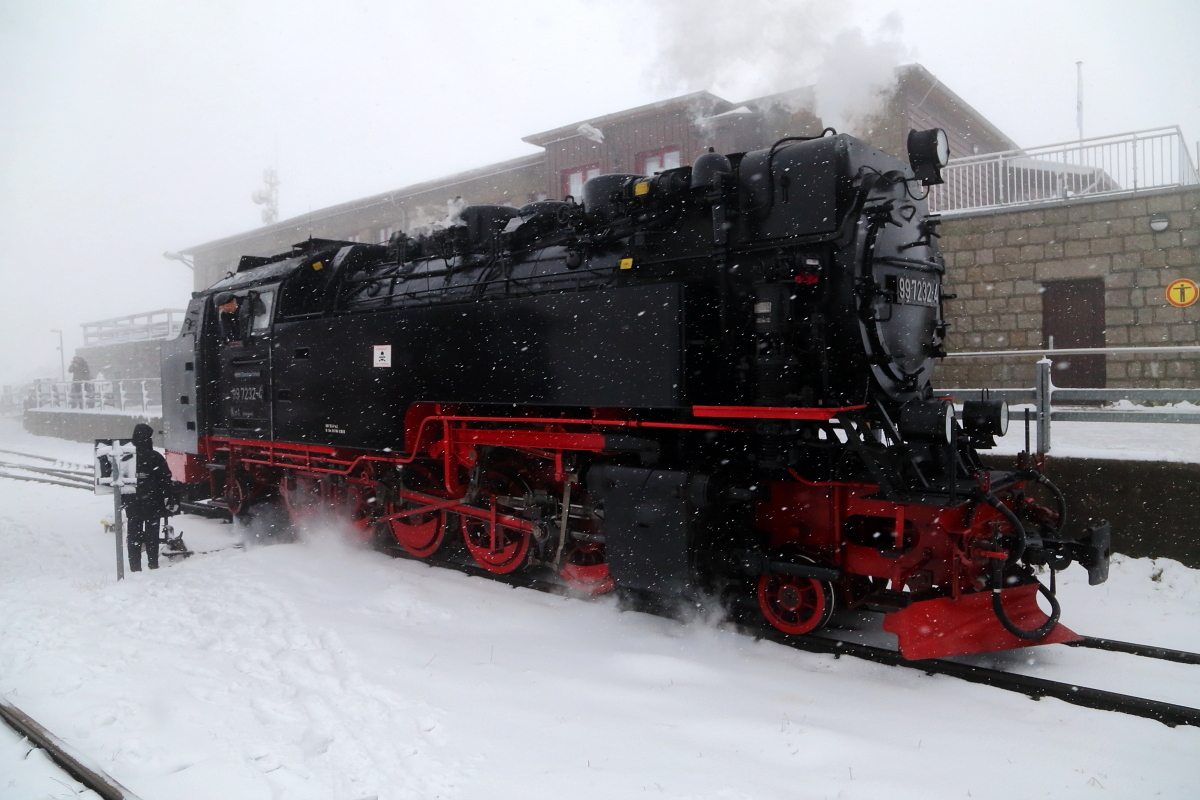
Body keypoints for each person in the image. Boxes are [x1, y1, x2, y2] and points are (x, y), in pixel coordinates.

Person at [124, 423, 176, 572]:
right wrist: (169, 495)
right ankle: (153, 563)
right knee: (152, 534)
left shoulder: (127, 456)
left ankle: (135, 566)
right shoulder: (155, 457)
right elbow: (165, 478)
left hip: (132, 501)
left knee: (134, 534)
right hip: (153, 501)